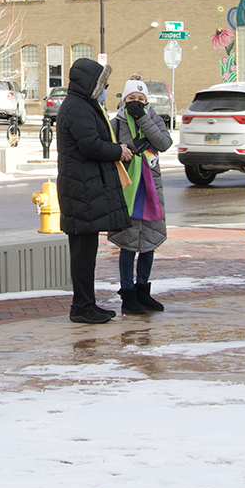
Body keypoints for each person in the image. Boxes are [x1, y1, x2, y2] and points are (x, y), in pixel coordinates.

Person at [57, 58, 132, 324]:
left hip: (83, 187)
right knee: (83, 254)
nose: (105, 89)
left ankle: (86, 303)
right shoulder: (77, 107)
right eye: (103, 84)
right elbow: (91, 145)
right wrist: (119, 152)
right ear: (90, 83)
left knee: (86, 253)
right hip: (81, 189)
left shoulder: (83, 105)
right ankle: (82, 306)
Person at [109, 78, 172, 314]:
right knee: (128, 242)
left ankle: (143, 290)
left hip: (150, 186)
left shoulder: (153, 118)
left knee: (149, 240)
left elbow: (164, 143)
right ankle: (128, 294)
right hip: (128, 187)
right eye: (131, 99)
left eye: (140, 99)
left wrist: (143, 119)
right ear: (124, 100)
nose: (136, 103)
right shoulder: (116, 123)